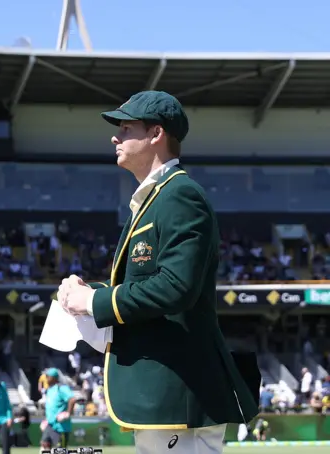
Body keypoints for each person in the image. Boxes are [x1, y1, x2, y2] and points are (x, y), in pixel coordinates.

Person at [57, 90, 259, 454]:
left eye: (127, 127)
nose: (115, 137)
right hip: (166, 389)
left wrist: (95, 300)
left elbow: (175, 287)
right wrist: (85, 293)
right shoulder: (156, 197)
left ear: (156, 134)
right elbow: (146, 283)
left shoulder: (180, 195)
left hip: (180, 388)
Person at [39, 368, 76, 452]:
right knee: (44, 445)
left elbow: (72, 399)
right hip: (50, 425)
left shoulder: (61, 388)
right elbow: (51, 408)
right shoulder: (49, 390)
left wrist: (68, 413)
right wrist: (46, 420)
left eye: (48, 376)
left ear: (54, 377)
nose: (46, 378)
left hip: (60, 427)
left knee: (60, 450)